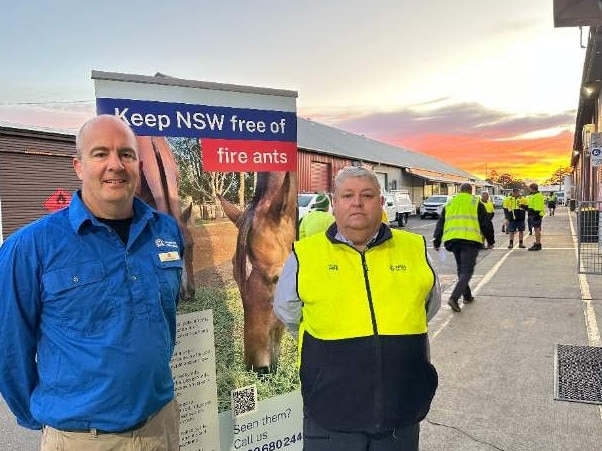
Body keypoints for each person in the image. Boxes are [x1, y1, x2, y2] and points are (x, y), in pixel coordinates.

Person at [0, 115, 183, 450]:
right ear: (78, 165)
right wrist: (51, 421)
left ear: (138, 165)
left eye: (126, 154)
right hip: (82, 440)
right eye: (100, 154)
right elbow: (10, 349)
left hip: (162, 427)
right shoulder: (29, 247)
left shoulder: (166, 232)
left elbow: (163, 321)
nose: (115, 164)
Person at [274, 166, 441, 451]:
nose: (357, 202)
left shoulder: (414, 248)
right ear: (334, 201)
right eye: (348, 195)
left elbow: (427, 306)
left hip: (401, 410)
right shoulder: (305, 255)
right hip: (331, 410)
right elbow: (288, 313)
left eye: (367, 195)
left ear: (380, 200)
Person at [433, 183, 495, 313]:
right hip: (470, 240)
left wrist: (437, 240)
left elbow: (441, 222)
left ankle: (467, 296)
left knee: (461, 269)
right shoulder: (475, 202)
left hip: (453, 240)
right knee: (467, 271)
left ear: (460, 191)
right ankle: (454, 298)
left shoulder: (450, 203)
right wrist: (490, 241)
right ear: (471, 191)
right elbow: (485, 223)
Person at [527, 183, 545, 251]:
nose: (529, 190)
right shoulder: (535, 195)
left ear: (532, 188)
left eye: (530, 188)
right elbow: (532, 206)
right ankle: (537, 243)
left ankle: (538, 244)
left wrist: (536, 215)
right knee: (536, 230)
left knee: (537, 230)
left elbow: (537, 208)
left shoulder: (537, 196)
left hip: (536, 215)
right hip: (534, 214)